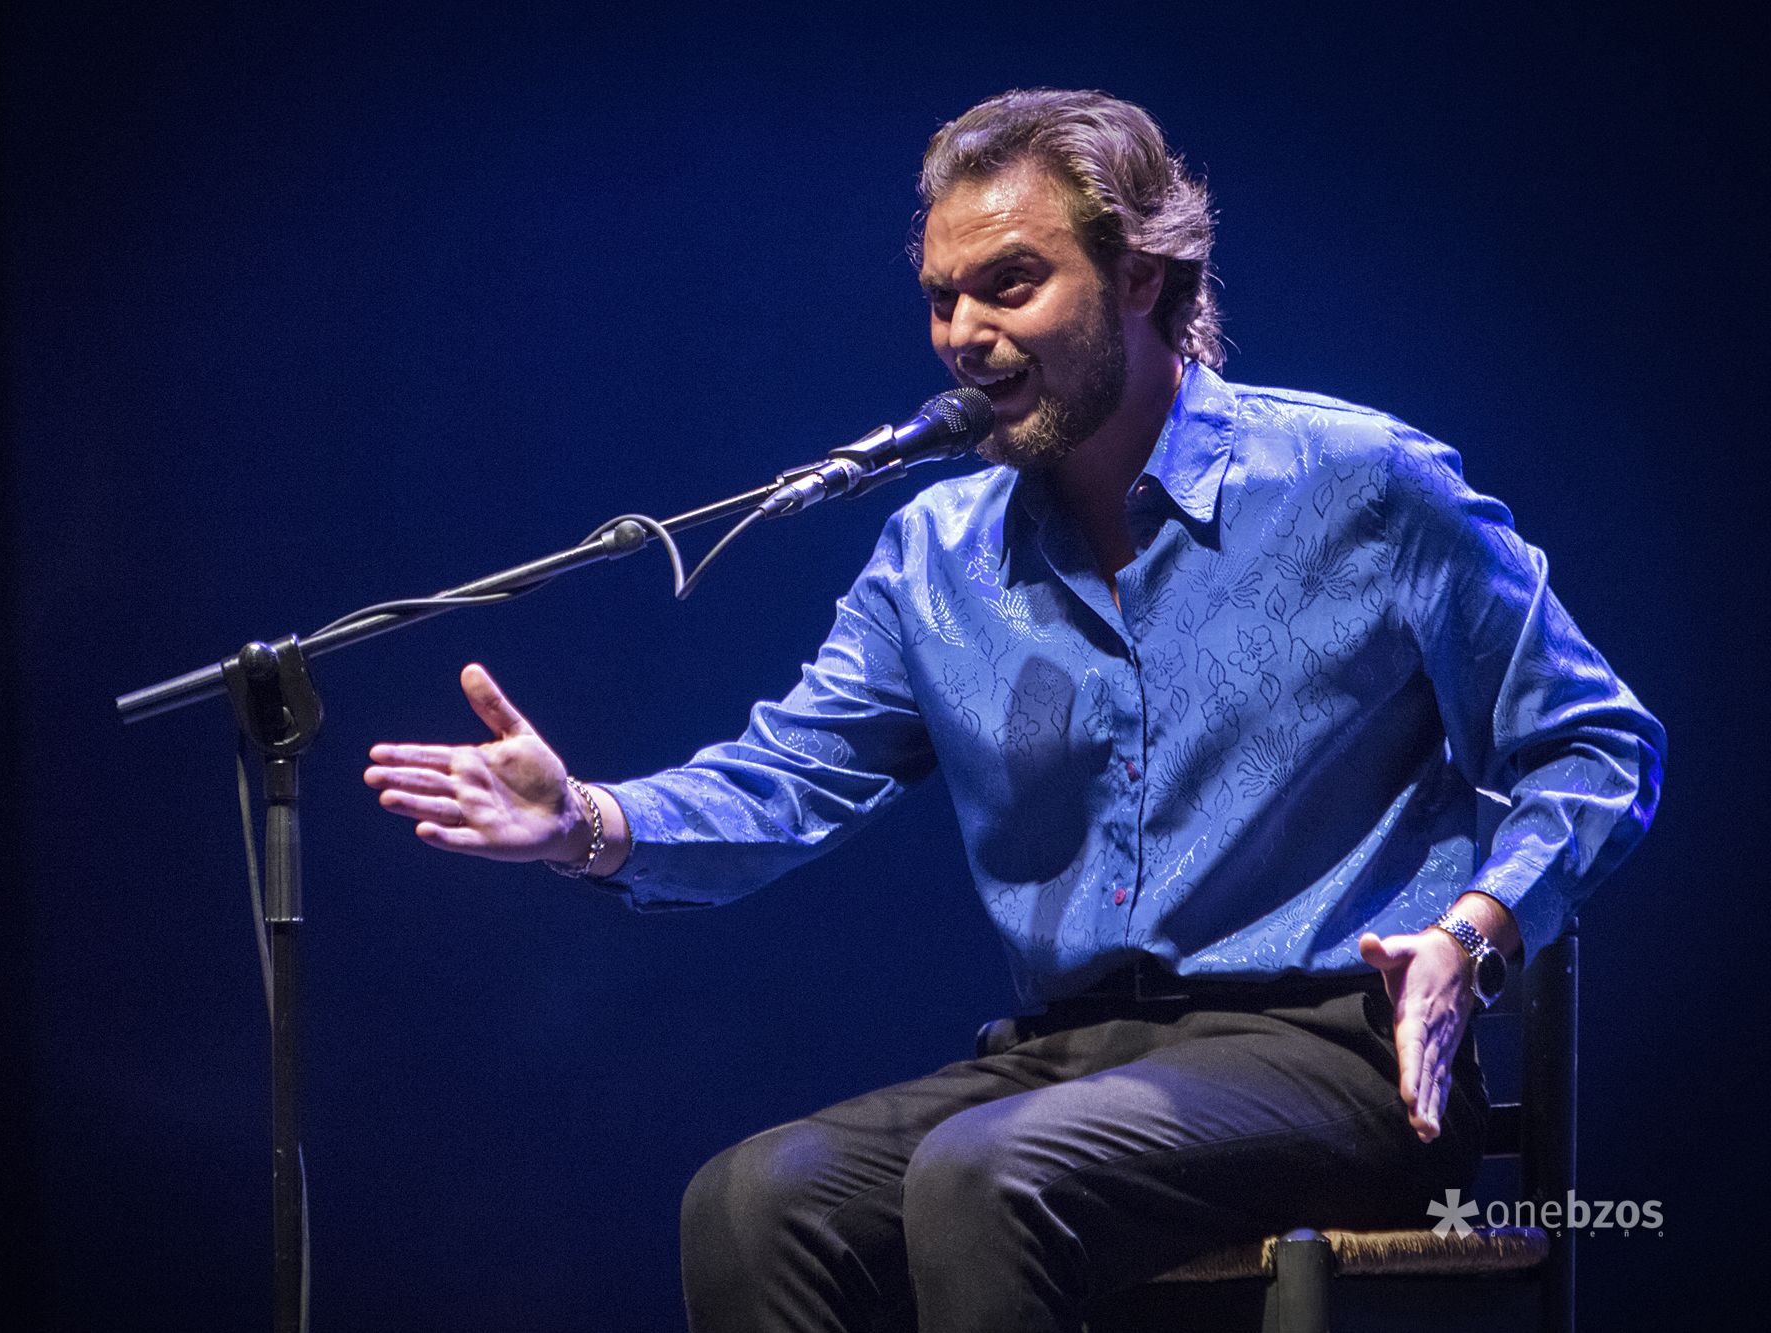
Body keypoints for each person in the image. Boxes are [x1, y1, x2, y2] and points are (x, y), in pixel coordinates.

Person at [362, 88, 1664, 1332]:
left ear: (1141, 278)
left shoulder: (1365, 484)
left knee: (988, 1171)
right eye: (940, 298)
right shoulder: (936, 553)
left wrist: (1478, 931)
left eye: (1010, 284)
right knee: (753, 1203)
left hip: (1328, 1057)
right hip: (1071, 1065)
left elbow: (1598, 748)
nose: (963, 334)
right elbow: (785, 779)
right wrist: (588, 819)